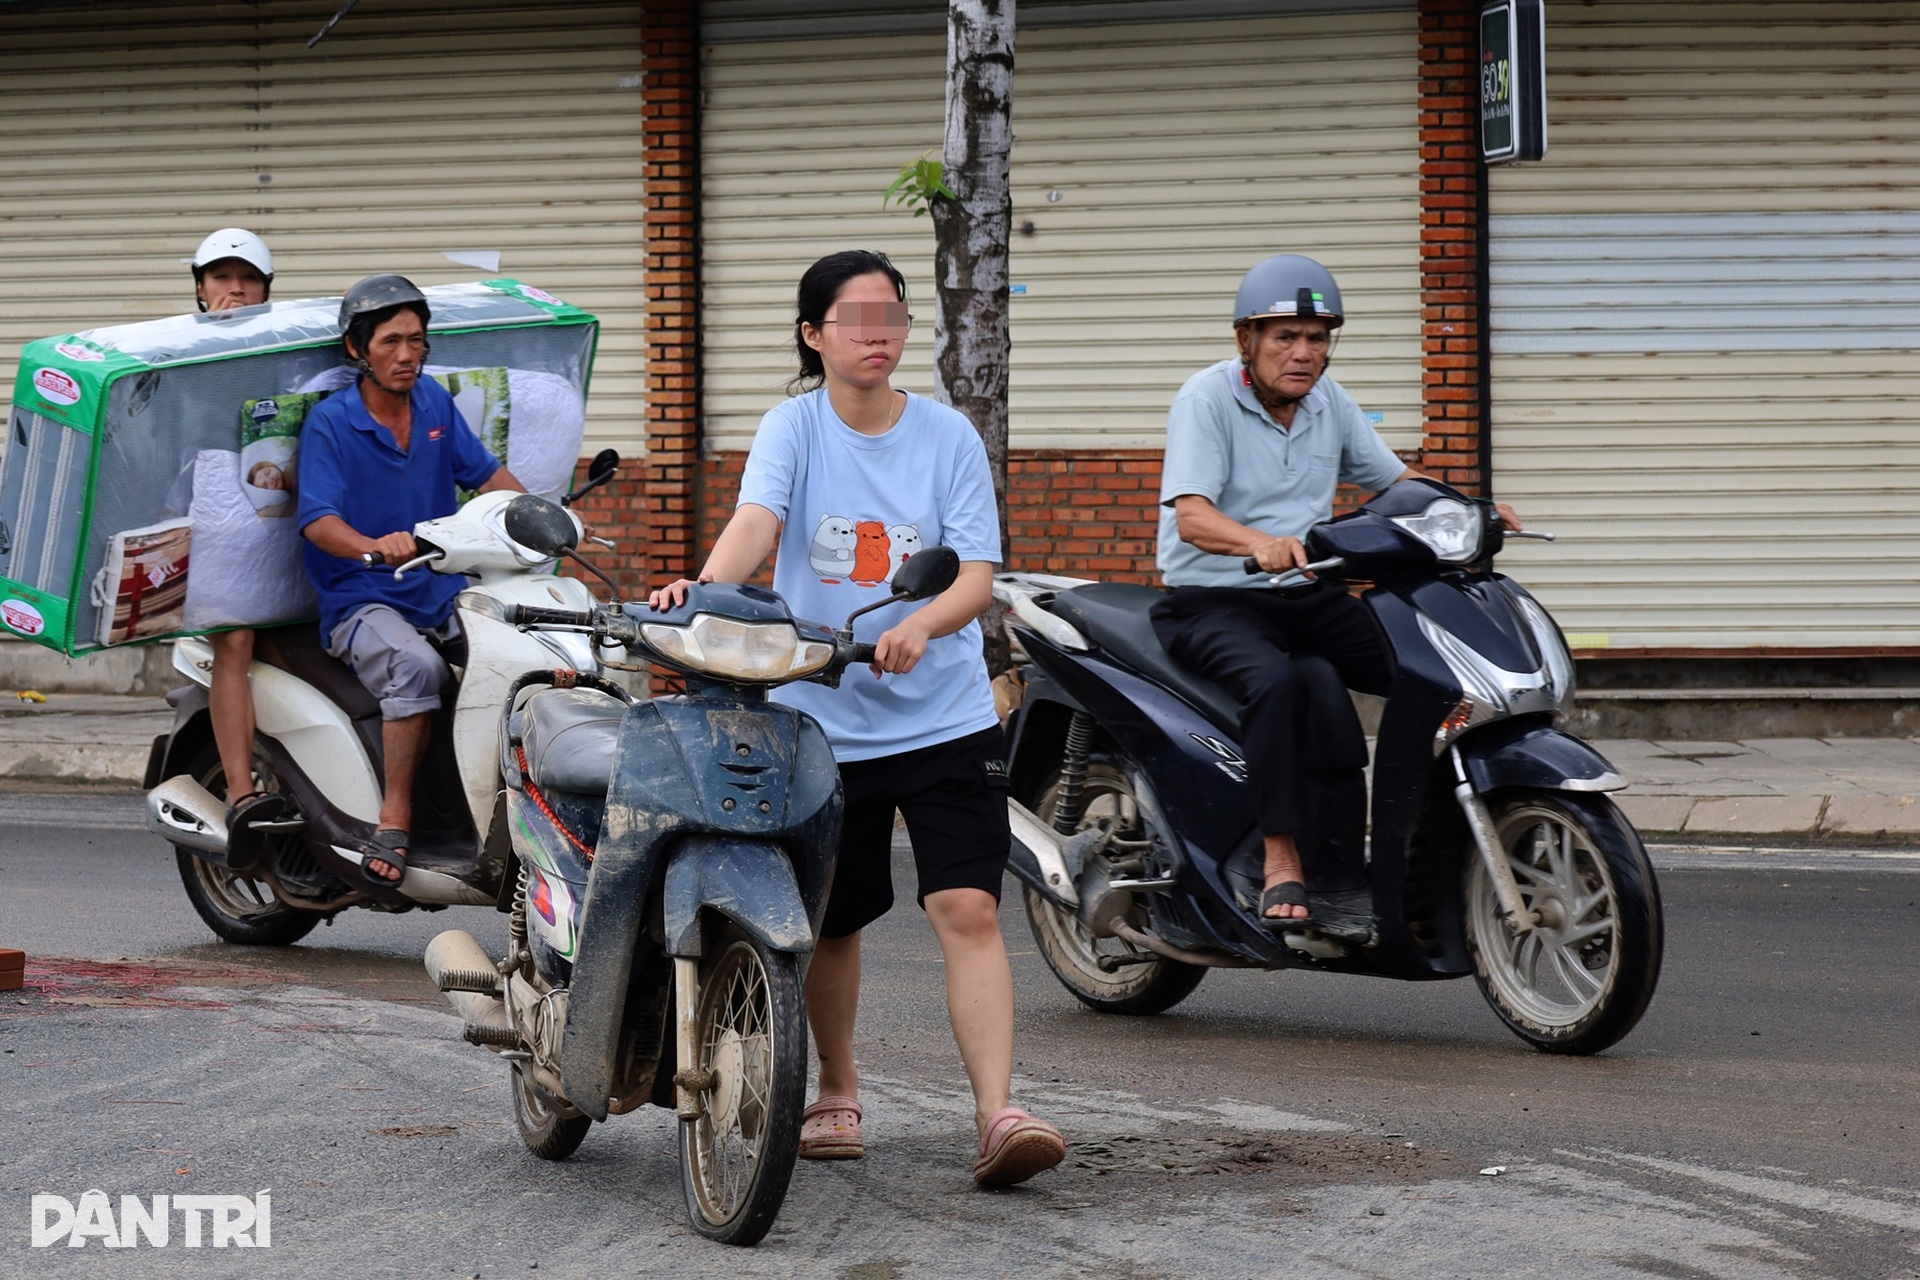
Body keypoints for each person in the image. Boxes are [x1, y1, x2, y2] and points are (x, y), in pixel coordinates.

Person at [648, 249, 1066, 1189]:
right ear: (814, 334)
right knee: (832, 923)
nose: (878, 333)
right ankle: (835, 1089)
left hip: (946, 715)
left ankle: (999, 1114)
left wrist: (921, 623)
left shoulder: (948, 435)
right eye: (855, 317)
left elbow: (974, 574)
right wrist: (706, 591)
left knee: (965, 905)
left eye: (893, 315)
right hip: (821, 721)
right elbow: (759, 521)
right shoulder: (792, 427)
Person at [1152, 254, 1518, 933]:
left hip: (1307, 594)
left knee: (1433, 672)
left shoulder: (1329, 402)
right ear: (1246, 341)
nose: (1303, 353)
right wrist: (1256, 542)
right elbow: (1193, 515)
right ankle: (1282, 857)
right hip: (1212, 600)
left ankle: (1423, 835)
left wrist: (1467, 508)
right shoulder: (1205, 399)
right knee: (1278, 685)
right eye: (1284, 336)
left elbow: (1392, 482)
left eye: (1317, 338)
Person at [295, 274, 526, 888]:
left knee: (519, 653)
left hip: (435, 585)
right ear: (357, 350)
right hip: (360, 597)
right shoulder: (331, 424)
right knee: (415, 667)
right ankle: (394, 820)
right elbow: (317, 521)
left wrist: (537, 518)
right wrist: (370, 546)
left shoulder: (433, 405)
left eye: (417, 341)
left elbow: (485, 474)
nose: (406, 355)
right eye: (391, 342)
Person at [188, 228, 287, 848]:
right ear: (200, 289)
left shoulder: (287, 345)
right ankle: (240, 788)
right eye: (222, 277)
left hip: (282, 520)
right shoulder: (180, 352)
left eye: (246, 278)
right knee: (237, 639)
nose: (235, 289)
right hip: (220, 526)